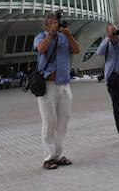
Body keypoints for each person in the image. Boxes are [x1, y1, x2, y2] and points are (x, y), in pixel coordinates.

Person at [33, 11, 81, 170]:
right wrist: (51, 34)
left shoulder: (64, 37)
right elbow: (40, 49)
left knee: (63, 121)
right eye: (53, 22)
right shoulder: (41, 36)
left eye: (57, 22)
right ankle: (48, 158)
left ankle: (58, 155)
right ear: (47, 25)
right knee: (49, 122)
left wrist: (67, 34)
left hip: (64, 84)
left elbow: (76, 49)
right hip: (48, 86)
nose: (56, 24)